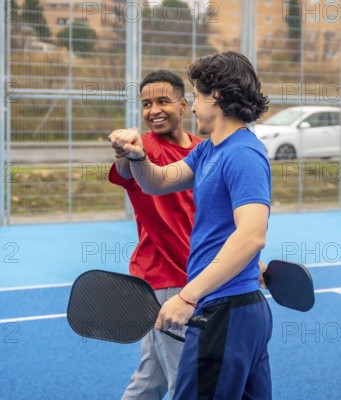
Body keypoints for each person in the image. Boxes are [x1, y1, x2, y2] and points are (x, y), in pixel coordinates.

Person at [109, 51, 272, 399]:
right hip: (228, 308)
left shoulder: (243, 153)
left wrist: (187, 295)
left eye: (196, 97)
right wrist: (138, 155)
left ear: (216, 96)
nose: (194, 106)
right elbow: (158, 181)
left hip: (224, 311)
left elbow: (252, 234)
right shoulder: (209, 150)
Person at [108, 70, 203, 400]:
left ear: (183, 103)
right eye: (146, 103)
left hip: (199, 276)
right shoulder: (142, 149)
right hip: (166, 280)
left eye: (163, 101)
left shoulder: (203, 150)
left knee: (151, 379)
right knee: (186, 379)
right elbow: (125, 167)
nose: (153, 110)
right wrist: (125, 149)